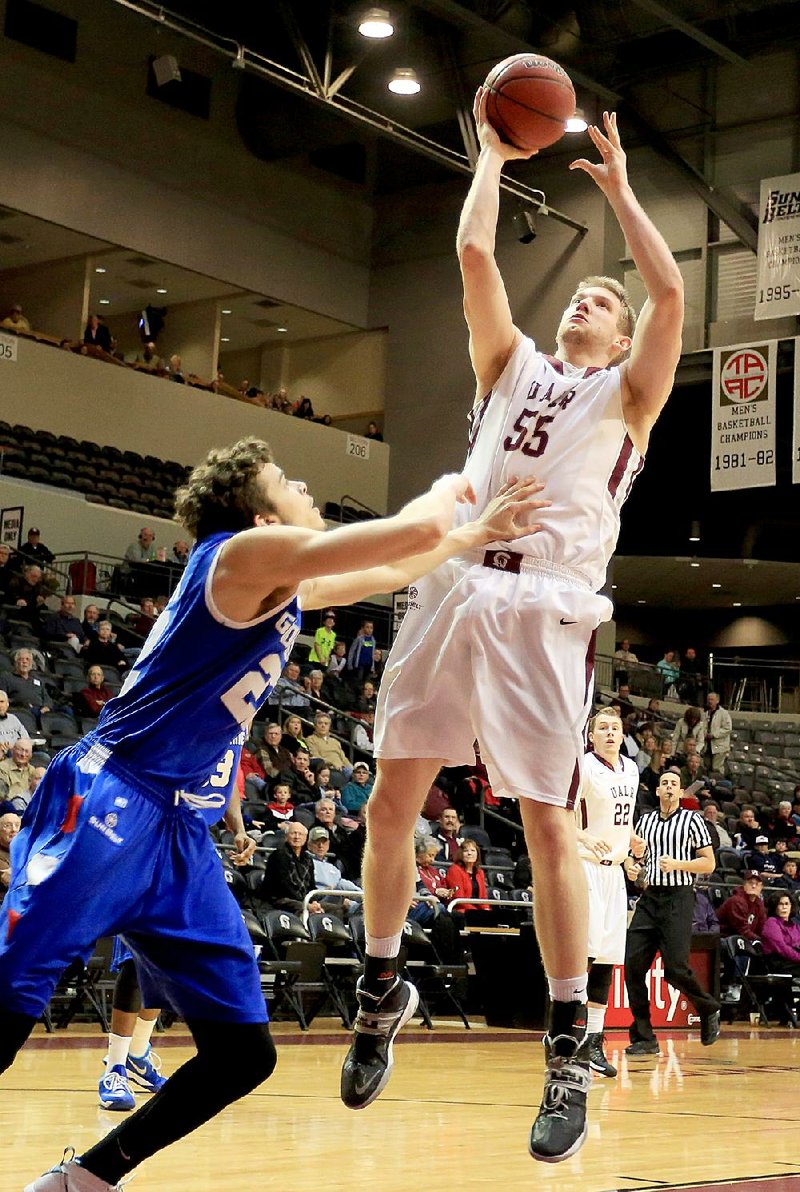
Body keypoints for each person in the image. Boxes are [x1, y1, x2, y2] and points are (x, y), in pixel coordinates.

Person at [3, 434, 539, 1192]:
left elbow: (385, 571)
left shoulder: (281, 584)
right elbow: (409, 533)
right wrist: (467, 481)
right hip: (112, 796)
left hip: (178, 834)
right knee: (8, 1006)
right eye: (285, 479)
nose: (305, 487)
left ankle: (81, 1183)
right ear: (260, 516)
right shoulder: (233, 558)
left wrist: (474, 536)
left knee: (243, 1053)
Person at [340, 101, 684, 1166]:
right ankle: (379, 982)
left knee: (545, 828)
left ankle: (569, 1041)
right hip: (456, 586)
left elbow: (668, 288)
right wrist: (489, 154)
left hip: (546, 607)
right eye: (578, 291)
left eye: (597, 299)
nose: (583, 299)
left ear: (620, 339)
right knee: (393, 799)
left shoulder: (628, 395)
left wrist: (620, 190)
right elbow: (473, 248)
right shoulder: (510, 366)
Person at [624, 771, 720, 1056]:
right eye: (664, 783)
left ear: (681, 793)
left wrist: (679, 864)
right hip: (649, 898)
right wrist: (631, 865)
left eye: (673, 784)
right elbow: (635, 855)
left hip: (678, 899)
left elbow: (709, 864)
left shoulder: (693, 821)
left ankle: (708, 1007)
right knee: (632, 967)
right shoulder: (646, 821)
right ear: (656, 791)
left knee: (675, 969)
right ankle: (644, 1037)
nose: (668, 788)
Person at [576, 708, 643, 1079]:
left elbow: (623, 816)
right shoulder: (582, 767)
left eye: (615, 728)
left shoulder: (631, 770)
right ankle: (565, 1032)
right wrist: (583, 835)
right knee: (583, 955)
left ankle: (593, 1040)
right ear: (592, 736)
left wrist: (630, 844)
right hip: (584, 865)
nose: (610, 733)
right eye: (602, 728)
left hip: (615, 873)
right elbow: (562, 814)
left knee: (606, 959)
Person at [717, 870, 766, 941]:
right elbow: (742, 930)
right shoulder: (736, 901)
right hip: (724, 938)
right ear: (744, 885)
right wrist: (761, 940)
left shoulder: (759, 903)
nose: (754, 886)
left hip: (743, 939)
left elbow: (762, 927)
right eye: (750, 883)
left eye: (757, 884)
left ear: (761, 887)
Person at [761, 892, 800, 978]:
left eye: (787, 904)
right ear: (774, 907)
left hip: (792, 960)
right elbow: (782, 948)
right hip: (778, 962)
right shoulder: (771, 923)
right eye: (781, 904)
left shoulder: (794, 925)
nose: (784, 907)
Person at [445, 839, 490, 913]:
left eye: (473, 850)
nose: (469, 853)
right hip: (462, 910)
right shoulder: (454, 870)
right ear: (460, 854)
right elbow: (458, 898)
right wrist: (478, 912)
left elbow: (483, 897)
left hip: (478, 912)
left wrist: (486, 910)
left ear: (477, 854)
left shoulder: (480, 872)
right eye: (466, 851)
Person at [704, 692, 732, 774]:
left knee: (716, 768)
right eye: (708, 699)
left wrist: (713, 735)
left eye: (712, 699)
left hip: (720, 746)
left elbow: (728, 728)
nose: (710, 701)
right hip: (707, 745)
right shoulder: (705, 713)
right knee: (706, 767)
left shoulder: (724, 713)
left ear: (717, 701)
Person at [0, 811, 21, 903]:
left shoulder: (25, 848)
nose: (14, 829)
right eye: (7, 825)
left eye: (17, 825)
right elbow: (11, 880)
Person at [0, 691, 27, 756]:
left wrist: (16, 746)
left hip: (21, 752)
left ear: (7, 704)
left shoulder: (13, 718)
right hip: (5, 756)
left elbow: (26, 738)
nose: (0, 705)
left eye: (2, 702)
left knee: (43, 756)